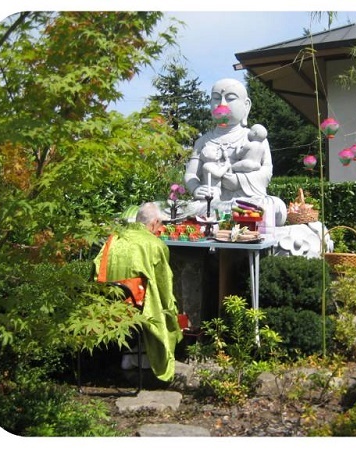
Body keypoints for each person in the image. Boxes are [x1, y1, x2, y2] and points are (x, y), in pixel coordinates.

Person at [94, 202, 183, 382]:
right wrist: (171, 307)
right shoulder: (154, 244)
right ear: (153, 223)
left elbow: (96, 269)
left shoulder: (113, 239)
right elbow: (163, 283)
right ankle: (147, 358)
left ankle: (130, 354)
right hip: (135, 307)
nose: (160, 229)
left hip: (104, 302)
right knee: (162, 307)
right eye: (160, 225)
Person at [184, 78, 285, 227]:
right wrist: (196, 188)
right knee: (178, 208)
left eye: (230, 98)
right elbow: (191, 174)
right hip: (210, 203)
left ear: (246, 106)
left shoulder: (256, 138)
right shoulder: (202, 141)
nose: (222, 104)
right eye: (216, 98)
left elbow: (266, 172)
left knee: (273, 206)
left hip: (246, 201)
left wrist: (238, 181)